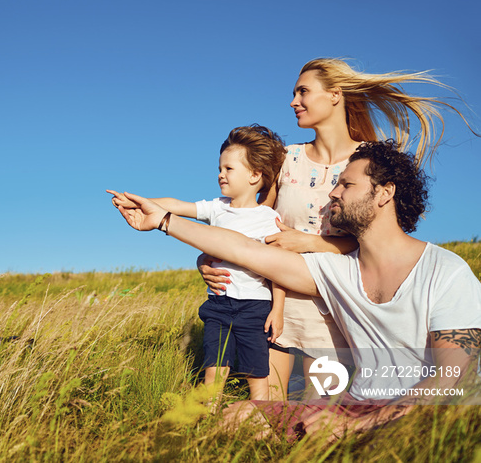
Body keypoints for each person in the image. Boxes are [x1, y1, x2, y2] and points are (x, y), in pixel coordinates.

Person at [111, 140, 481, 440]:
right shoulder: (336, 271)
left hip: (420, 415)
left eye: (346, 184)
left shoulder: (445, 271)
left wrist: (361, 424)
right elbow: (245, 250)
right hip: (353, 405)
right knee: (239, 417)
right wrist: (163, 220)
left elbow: (452, 378)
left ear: (384, 193)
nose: (332, 193)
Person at [198, 58, 479, 400]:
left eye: (303, 91)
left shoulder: (367, 162)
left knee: (318, 422)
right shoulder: (287, 158)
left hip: (335, 310)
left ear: (334, 95)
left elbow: (379, 241)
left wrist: (310, 243)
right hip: (277, 306)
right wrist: (206, 259)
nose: (293, 101)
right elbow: (248, 221)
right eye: (293, 93)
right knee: (267, 412)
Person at [107, 125, 287, 400]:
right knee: (214, 373)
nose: (220, 174)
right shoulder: (217, 207)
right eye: (219, 168)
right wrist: (139, 201)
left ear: (254, 175)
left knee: (257, 375)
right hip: (218, 305)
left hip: (255, 307)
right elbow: (177, 206)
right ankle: (206, 423)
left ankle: (260, 424)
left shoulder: (268, 219)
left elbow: (279, 269)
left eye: (229, 169)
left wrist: (278, 310)